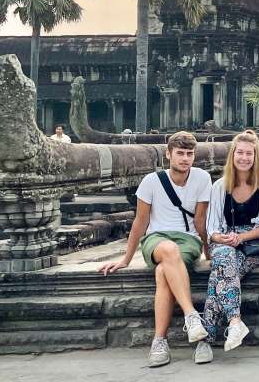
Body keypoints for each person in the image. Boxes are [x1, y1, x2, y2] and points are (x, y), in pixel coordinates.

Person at [98, 131, 211, 368]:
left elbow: (200, 222)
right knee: (168, 249)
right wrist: (126, 259)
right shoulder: (152, 181)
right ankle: (192, 318)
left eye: (190, 154)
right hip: (157, 239)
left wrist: (209, 252)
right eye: (180, 153)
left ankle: (159, 341)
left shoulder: (202, 178)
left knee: (162, 273)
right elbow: (140, 222)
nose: (185, 159)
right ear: (168, 154)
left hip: (188, 240)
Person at [198, 130, 259, 362]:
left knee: (219, 275)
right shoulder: (220, 186)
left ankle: (206, 339)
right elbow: (212, 226)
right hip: (224, 242)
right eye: (240, 153)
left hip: (253, 245)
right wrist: (222, 238)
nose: (244, 158)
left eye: (249, 154)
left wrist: (241, 238)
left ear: (256, 157)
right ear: (233, 155)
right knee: (224, 257)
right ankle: (234, 321)